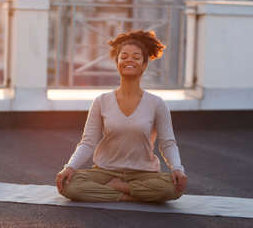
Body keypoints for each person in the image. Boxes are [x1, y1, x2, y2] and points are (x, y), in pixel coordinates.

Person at [56, 30, 187, 203]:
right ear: (117, 62)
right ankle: (131, 195)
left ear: (145, 64)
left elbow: (167, 143)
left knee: (171, 188)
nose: (129, 60)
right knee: (70, 185)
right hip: (105, 172)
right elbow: (88, 142)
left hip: (143, 174)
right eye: (123, 56)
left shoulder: (157, 103)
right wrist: (69, 167)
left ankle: (118, 189)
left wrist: (177, 168)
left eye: (136, 57)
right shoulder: (101, 101)